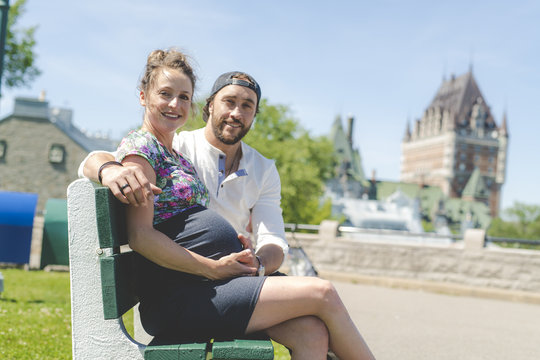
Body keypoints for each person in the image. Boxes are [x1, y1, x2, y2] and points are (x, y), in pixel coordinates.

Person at [82, 48, 376, 359]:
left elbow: (274, 238)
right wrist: (107, 168)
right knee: (323, 292)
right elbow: (135, 221)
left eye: (183, 97)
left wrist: (253, 264)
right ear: (209, 107)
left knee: (312, 331)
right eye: (165, 94)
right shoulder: (155, 147)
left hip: (220, 283)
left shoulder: (177, 153)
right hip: (189, 291)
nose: (175, 104)